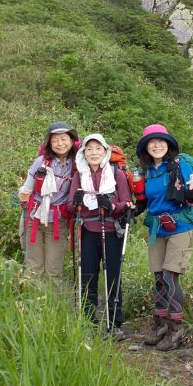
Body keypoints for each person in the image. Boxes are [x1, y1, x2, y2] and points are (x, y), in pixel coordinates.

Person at [135, 124, 193, 352]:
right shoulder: (147, 171)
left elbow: (192, 193)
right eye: (152, 142)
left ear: (168, 144)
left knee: (170, 275)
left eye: (161, 141)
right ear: (146, 147)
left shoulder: (178, 165)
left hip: (181, 225)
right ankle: (161, 324)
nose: (157, 145)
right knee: (159, 277)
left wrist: (191, 195)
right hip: (158, 228)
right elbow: (144, 200)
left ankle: (176, 327)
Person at [69, 133, 132, 340]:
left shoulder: (116, 173)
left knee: (113, 276)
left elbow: (126, 203)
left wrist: (112, 206)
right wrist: (77, 201)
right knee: (88, 277)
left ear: (105, 152)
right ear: (83, 154)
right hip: (88, 232)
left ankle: (115, 323)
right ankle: (88, 321)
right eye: (89, 149)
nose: (94, 153)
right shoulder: (79, 175)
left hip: (112, 231)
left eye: (98, 149)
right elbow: (71, 205)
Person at [17, 122, 79, 282]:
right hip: (34, 219)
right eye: (55, 140)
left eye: (64, 139)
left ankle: (54, 305)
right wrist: (22, 193)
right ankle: (32, 303)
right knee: (33, 268)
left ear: (72, 141)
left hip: (59, 221)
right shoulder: (40, 162)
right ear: (49, 143)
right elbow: (26, 186)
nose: (60, 144)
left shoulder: (78, 164)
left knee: (54, 270)